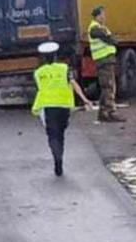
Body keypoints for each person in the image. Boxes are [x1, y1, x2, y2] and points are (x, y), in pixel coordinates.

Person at [31, 42, 94, 177]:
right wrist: (85, 99)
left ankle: (57, 158)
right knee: (61, 133)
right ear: (55, 56)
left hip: (47, 107)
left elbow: (38, 88)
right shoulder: (65, 68)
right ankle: (60, 155)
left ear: (42, 58)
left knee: (52, 134)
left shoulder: (38, 73)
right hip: (64, 106)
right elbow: (73, 83)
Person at [87, 5, 124, 123]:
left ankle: (103, 113)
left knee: (106, 87)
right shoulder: (95, 28)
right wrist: (112, 39)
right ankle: (110, 112)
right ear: (98, 16)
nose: (104, 17)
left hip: (105, 61)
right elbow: (110, 39)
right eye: (103, 14)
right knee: (109, 87)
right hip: (104, 60)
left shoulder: (98, 27)